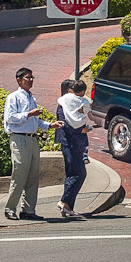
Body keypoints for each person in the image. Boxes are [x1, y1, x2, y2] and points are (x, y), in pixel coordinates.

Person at [3, 67, 63, 221]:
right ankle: (10, 209)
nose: (30, 80)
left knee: (33, 176)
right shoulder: (13, 97)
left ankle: (28, 210)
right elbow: (11, 118)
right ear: (19, 80)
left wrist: (50, 125)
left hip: (32, 138)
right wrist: (29, 113)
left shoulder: (31, 98)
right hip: (19, 138)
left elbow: (35, 121)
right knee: (20, 175)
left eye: (31, 78)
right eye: (27, 77)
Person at [55, 79, 92, 218]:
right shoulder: (63, 106)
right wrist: (81, 131)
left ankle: (68, 207)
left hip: (74, 143)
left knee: (72, 174)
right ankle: (64, 202)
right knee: (79, 173)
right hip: (69, 143)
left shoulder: (72, 103)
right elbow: (63, 124)